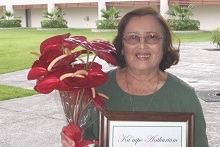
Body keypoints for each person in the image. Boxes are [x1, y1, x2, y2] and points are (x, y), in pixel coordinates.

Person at [61, 7, 209, 147]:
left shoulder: (184, 97)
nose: (142, 45)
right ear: (122, 45)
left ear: (164, 44)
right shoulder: (96, 88)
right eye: (133, 37)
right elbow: (86, 139)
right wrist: (75, 140)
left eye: (152, 37)